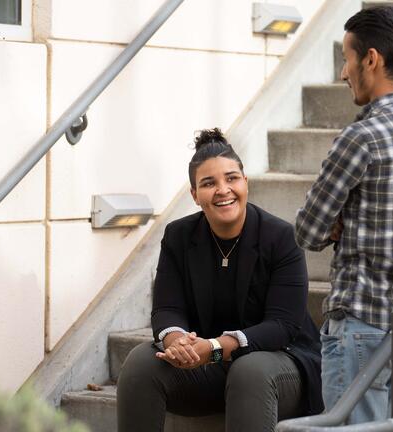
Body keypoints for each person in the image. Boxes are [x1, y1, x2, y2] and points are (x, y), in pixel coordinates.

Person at [294, 6, 393, 424]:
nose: (344, 73)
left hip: (359, 324)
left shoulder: (361, 137)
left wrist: (340, 225)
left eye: (347, 58)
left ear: (372, 60)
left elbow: (307, 230)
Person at [117, 128, 322, 432]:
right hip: (208, 368)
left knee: (249, 369)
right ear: (194, 195)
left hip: (279, 367)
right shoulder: (179, 236)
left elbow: (283, 326)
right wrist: (178, 344)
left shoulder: (279, 237)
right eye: (209, 183)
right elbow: (166, 309)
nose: (223, 189)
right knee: (141, 363)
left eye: (231, 178)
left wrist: (214, 346)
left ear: (245, 183)